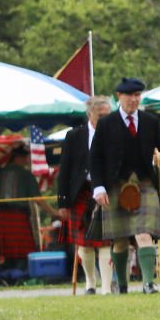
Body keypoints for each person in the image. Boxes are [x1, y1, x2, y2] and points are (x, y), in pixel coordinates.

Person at [89, 78, 160, 294]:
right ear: (119, 96)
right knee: (120, 238)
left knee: (144, 233)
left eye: (137, 95)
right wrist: (98, 188)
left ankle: (148, 283)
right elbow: (95, 157)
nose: (134, 100)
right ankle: (123, 285)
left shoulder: (150, 121)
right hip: (115, 185)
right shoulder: (107, 123)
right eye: (129, 96)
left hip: (144, 183)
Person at [56, 95, 113, 293]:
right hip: (80, 192)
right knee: (84, 242)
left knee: (106, 241)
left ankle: (106, 288)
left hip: (107, 191)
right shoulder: (75, 136)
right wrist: (62, 202)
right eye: (101, 115)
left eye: (108, 114)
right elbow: (64, 170)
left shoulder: (115, 134)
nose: (105, 119)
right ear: (90, 114)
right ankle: (90, 283)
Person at [0, 142, 48, 271]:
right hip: (18, 217)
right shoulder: (26, 175)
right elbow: (38, 199)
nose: (27, 160)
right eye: (25, 157)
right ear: (17, 157)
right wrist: (54, 213)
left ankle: (10, 275)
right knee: (22, 251)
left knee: (8, 252)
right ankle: (20, 274)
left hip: (2, 218)